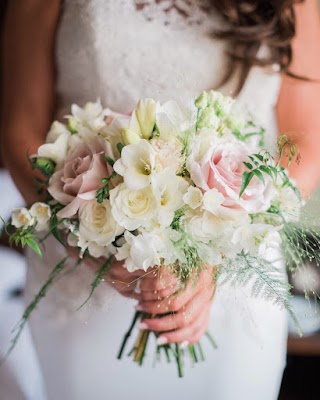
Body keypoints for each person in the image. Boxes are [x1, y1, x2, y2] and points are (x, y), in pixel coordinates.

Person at [1, 1, 320, 399]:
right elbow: (21, 130)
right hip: (81, 269)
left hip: (233, 275)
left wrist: (215, 254)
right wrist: (86, 239)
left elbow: (305, 143)